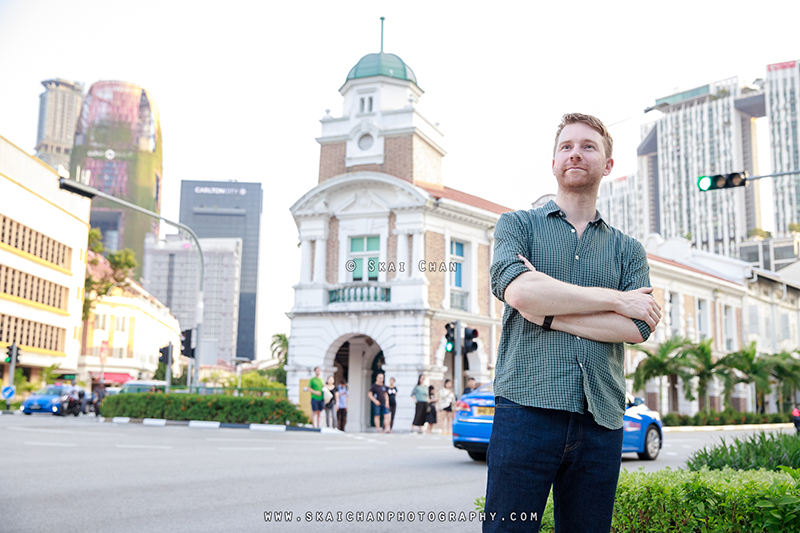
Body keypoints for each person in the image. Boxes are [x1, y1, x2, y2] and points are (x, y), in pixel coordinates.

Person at [484, 113, 662, 533]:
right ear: (553, 162)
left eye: (587, 146)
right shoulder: (517, 225)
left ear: (608, 164)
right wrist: (617, 301)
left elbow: (637, 328)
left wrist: (549, 314)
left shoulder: (628, 250)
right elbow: (521, 293)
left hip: (600, 419)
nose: (575, 153)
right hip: (525, 410)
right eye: (566, 146)